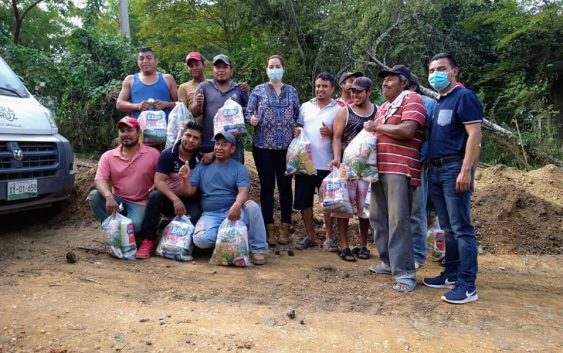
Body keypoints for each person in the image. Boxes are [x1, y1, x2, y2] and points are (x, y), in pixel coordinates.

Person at [422, 53, 483, 304]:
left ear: (454, 71)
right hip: (436, 170)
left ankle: (468, 285)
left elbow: (474, 134)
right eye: (432, 69)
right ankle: (452, 273)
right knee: (447, 228)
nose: (436, 73)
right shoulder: (438, 103)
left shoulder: (464, 97)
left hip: (454, 168)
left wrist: (466, 169)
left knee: (461, 228)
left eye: (442, 68)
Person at [364, 64, 426, 293]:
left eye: (391, 79)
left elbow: (408, 130)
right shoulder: (385, 108)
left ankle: (406, 273)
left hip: (400, 169)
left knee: (399, 221)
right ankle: (388, 262)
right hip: (380, 170)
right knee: (378, 218)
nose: (385, 83)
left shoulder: (412, 100)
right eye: (384, 79)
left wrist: (378, 127)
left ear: (405, 83)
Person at [179, 131, 268, 265]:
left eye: (224, 144)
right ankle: (233, 239)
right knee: (200, 240)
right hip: (211, 214)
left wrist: (236, 206)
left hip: (233, 213)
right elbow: (188, 192)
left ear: (232, 149)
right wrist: (185, 179)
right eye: (217, 144)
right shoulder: (202, 167)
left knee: (252, 207)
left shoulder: (239, 168)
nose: (219, 147)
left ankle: (258, 249)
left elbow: (244, 191)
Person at [245, 55, 300, 246]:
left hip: (286, 149)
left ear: (283, 68)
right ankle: (268, 228)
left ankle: (285, 227)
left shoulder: (291, 91)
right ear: (266, 69)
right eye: (271, 66)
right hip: (263, 148)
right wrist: (251, 119)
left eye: (277, 66)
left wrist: (298, 127)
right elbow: (248, 113)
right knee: (267, 188)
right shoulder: (258, 91)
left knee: (285, 188)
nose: (274, 69)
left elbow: (298, 115)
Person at [135, 122, 204, 259]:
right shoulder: (168, 154)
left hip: (190, 199)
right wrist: (175, 200)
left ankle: (178, 240)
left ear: (200, 141)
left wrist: (211, 153)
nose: (190, 140)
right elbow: (158, 181)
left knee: (196, 213)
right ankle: (148, 240)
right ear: (182, 135)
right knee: (154, 197)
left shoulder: (201, 157)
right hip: (170, 199)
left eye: (195, 138)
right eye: (188, 135)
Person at [329, 77, 377, 261]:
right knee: (344, 205)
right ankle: (344, 245)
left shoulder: (377, 112)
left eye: (359, 91)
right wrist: (336, 158)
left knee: (366, 206)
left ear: (369, 92)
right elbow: (337, 137)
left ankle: (363, 244)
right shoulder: (345, 111)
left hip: (368, 167)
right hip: (348, 166)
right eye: (353, 91)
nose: (354, 94)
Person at [88, 117, 160, 234]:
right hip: (118, 200)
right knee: (94, 196)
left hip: (140, 201)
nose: (125, 134)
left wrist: (157, 182)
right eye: (122, 131)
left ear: (139, 132)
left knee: (134, 227)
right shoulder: (108, 156)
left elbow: (163, 176)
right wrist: (109, 197)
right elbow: (100, 179)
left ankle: (125, 229)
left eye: (130, 130)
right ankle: (113, 231)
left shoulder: (153, 154)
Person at [293, 72, 340, 251]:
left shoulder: (338, 109)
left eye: (325, 86)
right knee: (304, 202)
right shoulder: (305, 106)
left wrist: (331, 134)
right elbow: (299, 126)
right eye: (318, 86)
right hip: (305, 164)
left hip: (327, 163)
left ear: (332, 89)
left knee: (328, 202)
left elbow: (340, 135)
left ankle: (329, 238)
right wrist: (297, 130)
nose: (320, 89)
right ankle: (310, 236)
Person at [189, 54, 248, 164]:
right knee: (208, 179)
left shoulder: (239, 89)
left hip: (233, 146)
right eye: (218, 67)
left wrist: (242, 116)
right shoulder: (204, 86)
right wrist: (198, 104)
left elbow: (249, 113)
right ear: (212, 70)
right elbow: (194, 113)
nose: (221, 70)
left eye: (224, 67)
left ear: (231, 71)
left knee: (233, 178)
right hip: (209, 144)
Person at [408, 73, 437, 268]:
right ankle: (407, 251)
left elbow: (430, 134)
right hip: (400, 165)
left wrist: (425, 157)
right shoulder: (394, 104)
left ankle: (418, 254)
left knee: (418, 210)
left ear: (410, 86)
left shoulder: (427, 104)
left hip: (419, 163)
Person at [116, 47, 178, 120]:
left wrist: (167, 104)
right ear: (137, 62)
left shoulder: (168, 79)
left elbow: (181, 103)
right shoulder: (130, 79)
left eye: (149, 58)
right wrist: (138, 106)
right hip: (139, 130)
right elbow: (119, 104)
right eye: (141, 59)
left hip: (164, 129)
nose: (145, 61)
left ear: (156, 61)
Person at [178, 52, 207, 124]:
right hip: (194, 131)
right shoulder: (183, 87)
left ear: (204, 64)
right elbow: (182, 113)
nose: (194, 68)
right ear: (187, 69)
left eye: (197, 64)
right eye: (191, 66)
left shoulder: (213, 84)